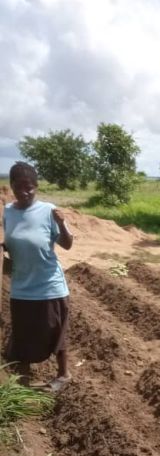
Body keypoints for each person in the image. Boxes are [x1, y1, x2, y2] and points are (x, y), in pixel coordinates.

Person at [2, 162, 74, 391]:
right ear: (11, 186)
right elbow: (13, 239)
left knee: (55, 331)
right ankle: (23, 381)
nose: (25, 192)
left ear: (36, 186)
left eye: (29, 187)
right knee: (23, 333)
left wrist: (62, 224)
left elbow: (68, 244)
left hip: (48, 284)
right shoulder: (8, 212)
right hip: (21, 285)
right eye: (19, 187)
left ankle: (63, 374)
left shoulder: (49, 211)